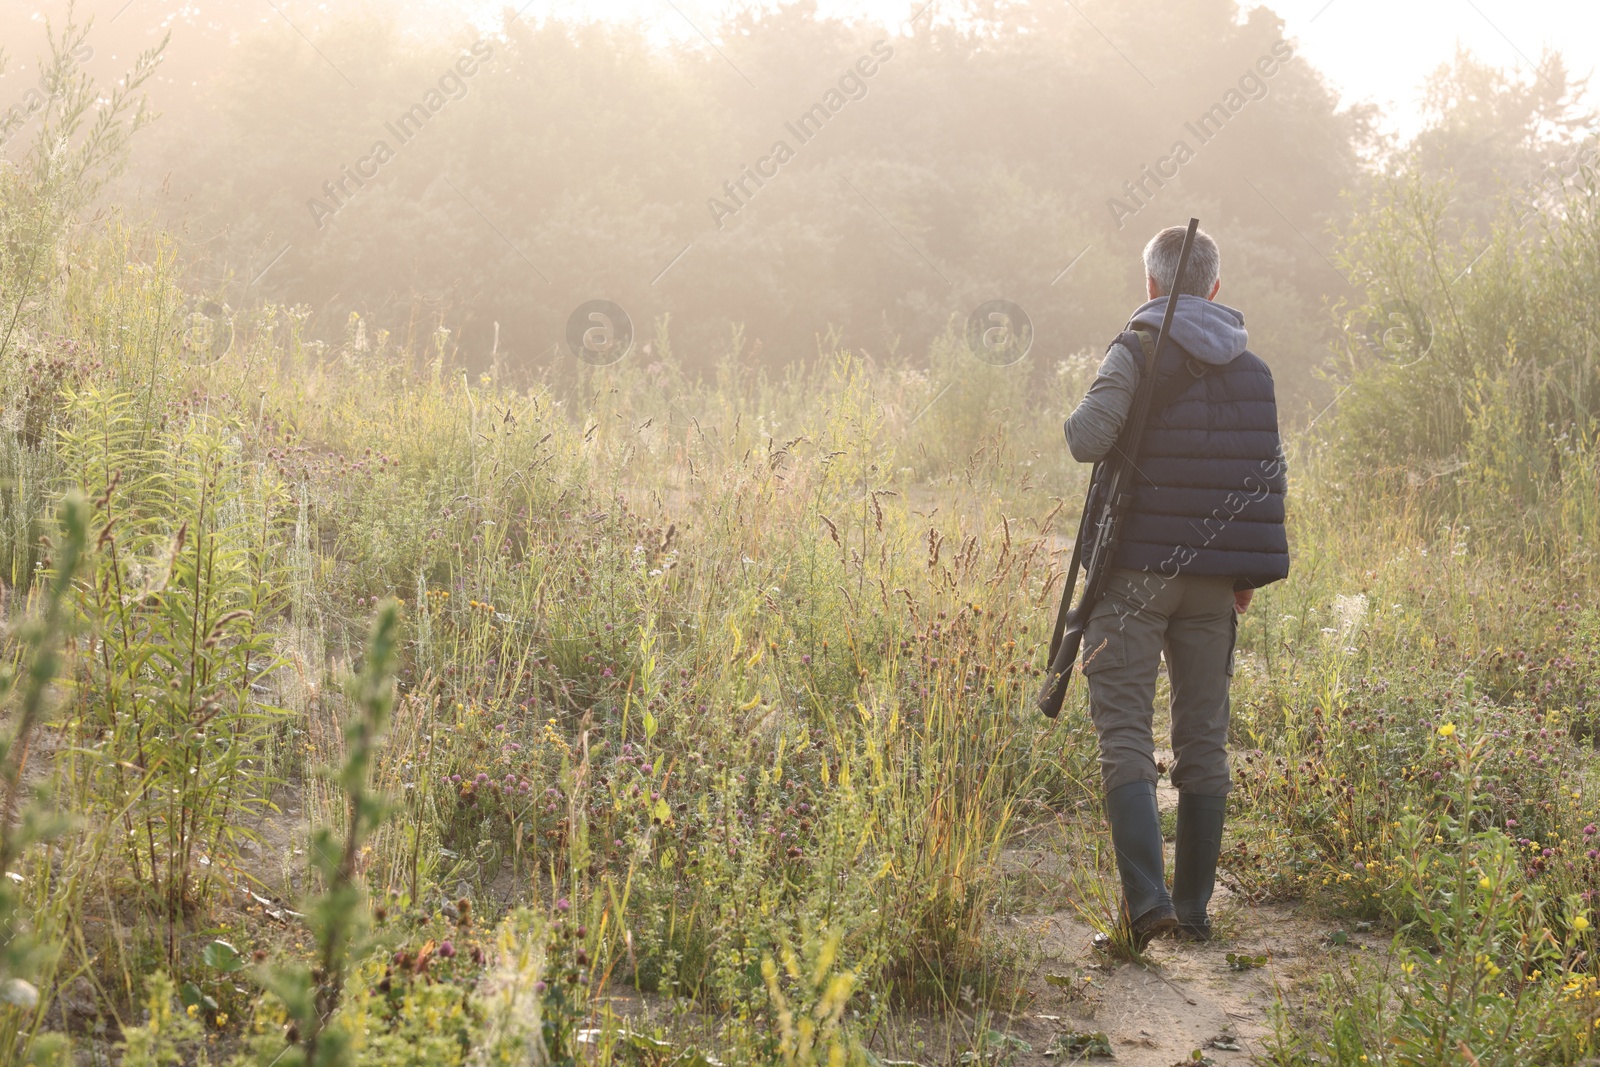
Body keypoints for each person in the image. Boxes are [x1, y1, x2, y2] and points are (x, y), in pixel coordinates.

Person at [1062, 224, 1289, 948]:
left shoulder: (1135, 348)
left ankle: (1147, 905)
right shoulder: (1254, 370)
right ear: (1215, 289)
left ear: (1151, 287)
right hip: (1214, 583)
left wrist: (1090, 398)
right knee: (1204, 741)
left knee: (1125, 733)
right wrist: (1243, 574)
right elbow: (1268, 479)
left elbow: (1085, 439)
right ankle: (1193, 910)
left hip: (1133, 574)